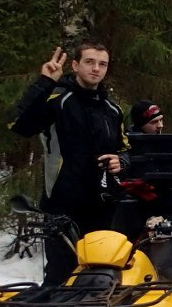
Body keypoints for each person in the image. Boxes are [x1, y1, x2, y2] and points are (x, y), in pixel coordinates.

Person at [10, 43, 130, 285]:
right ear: (75, 65)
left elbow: (126, 148)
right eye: (89, 62)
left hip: (103, 207)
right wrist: (45, 82)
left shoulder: (112, 109)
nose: (96, 68)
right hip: (62, 208)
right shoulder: (58, 100)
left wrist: (123, 161)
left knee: (102, 276)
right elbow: (19, 125)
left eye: (102, 64)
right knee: (60, 276)